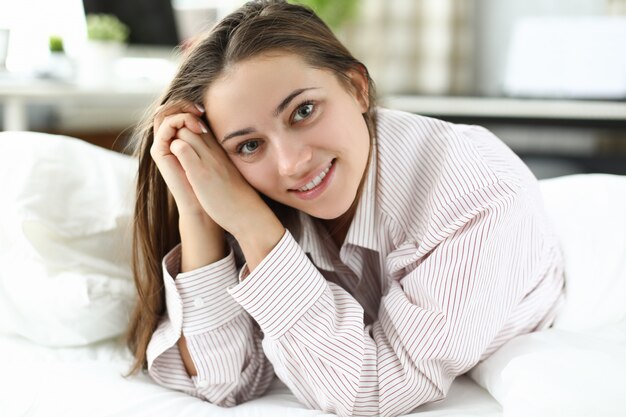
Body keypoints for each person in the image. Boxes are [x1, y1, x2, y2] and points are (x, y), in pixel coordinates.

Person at [125, 1, 565, 416]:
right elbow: (221, 382)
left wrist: (255, 229)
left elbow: (373, 389)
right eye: (250, 145)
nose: (291, 164)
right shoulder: (248, 191)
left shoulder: (477, 195)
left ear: (356, 87)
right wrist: (201, 213)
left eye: (304, 111)